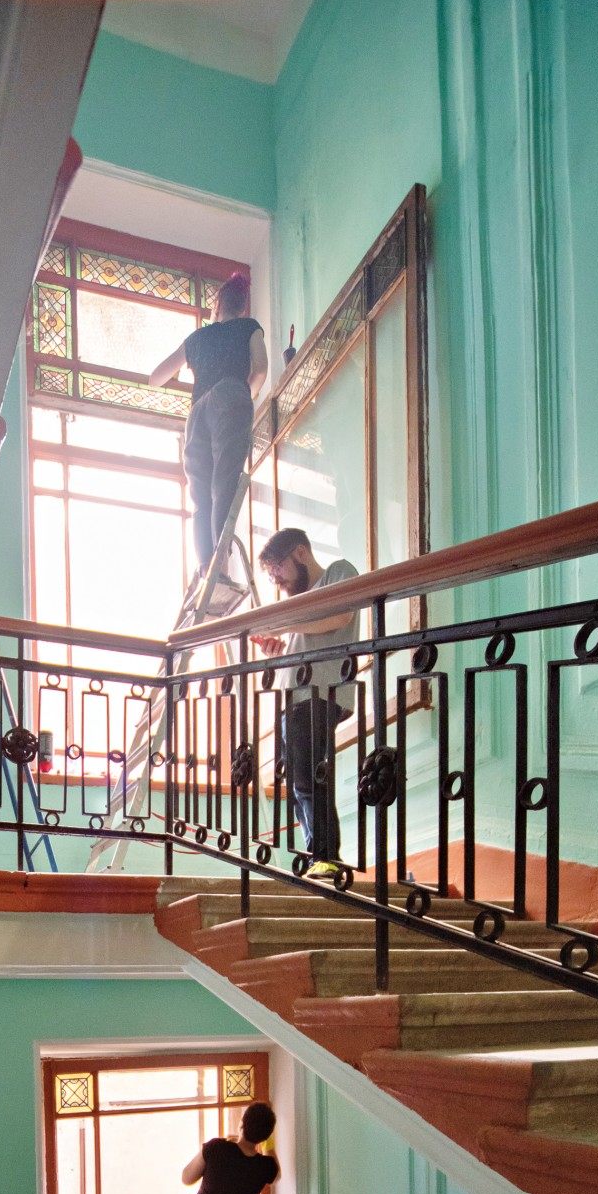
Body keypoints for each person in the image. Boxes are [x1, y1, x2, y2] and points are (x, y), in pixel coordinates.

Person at [255, 527, 361, 878]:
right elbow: (304, 639)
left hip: (318, 693)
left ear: (301, 553)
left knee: (311, 780)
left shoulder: (338, 572)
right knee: (300, 783)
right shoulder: (297, 604)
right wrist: (277, 647)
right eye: (270, 573)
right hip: (294, 697)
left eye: (278, 567)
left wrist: (285, 625)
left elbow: (341, 617)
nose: (276, 578)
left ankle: (327, 858)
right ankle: (319, 856)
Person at [149, 274, 268, 576]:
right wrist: (246, 394)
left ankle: (205, 566)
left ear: (217, 307)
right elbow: (261, 368)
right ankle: (221, 567)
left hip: (197, 413)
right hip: (229, 396)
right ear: (242, 306)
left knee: (200, 496)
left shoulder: (197, 338)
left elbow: (155, 378)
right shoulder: (249, 327)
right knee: (224, 485)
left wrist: (183, 372)